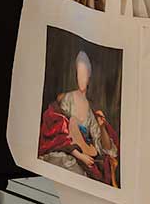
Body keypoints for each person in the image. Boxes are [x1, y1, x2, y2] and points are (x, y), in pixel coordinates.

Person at [38, 50, 119, 186]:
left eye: (85, 73)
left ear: (89, 75)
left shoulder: (92, 109)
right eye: (79, 73)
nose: (82, 77)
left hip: (86, 155)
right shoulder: (66, 98)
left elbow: (104, 148)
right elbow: (58, 132)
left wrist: (102, 127)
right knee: (65, 164)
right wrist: (79, 155)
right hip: (68, 153)